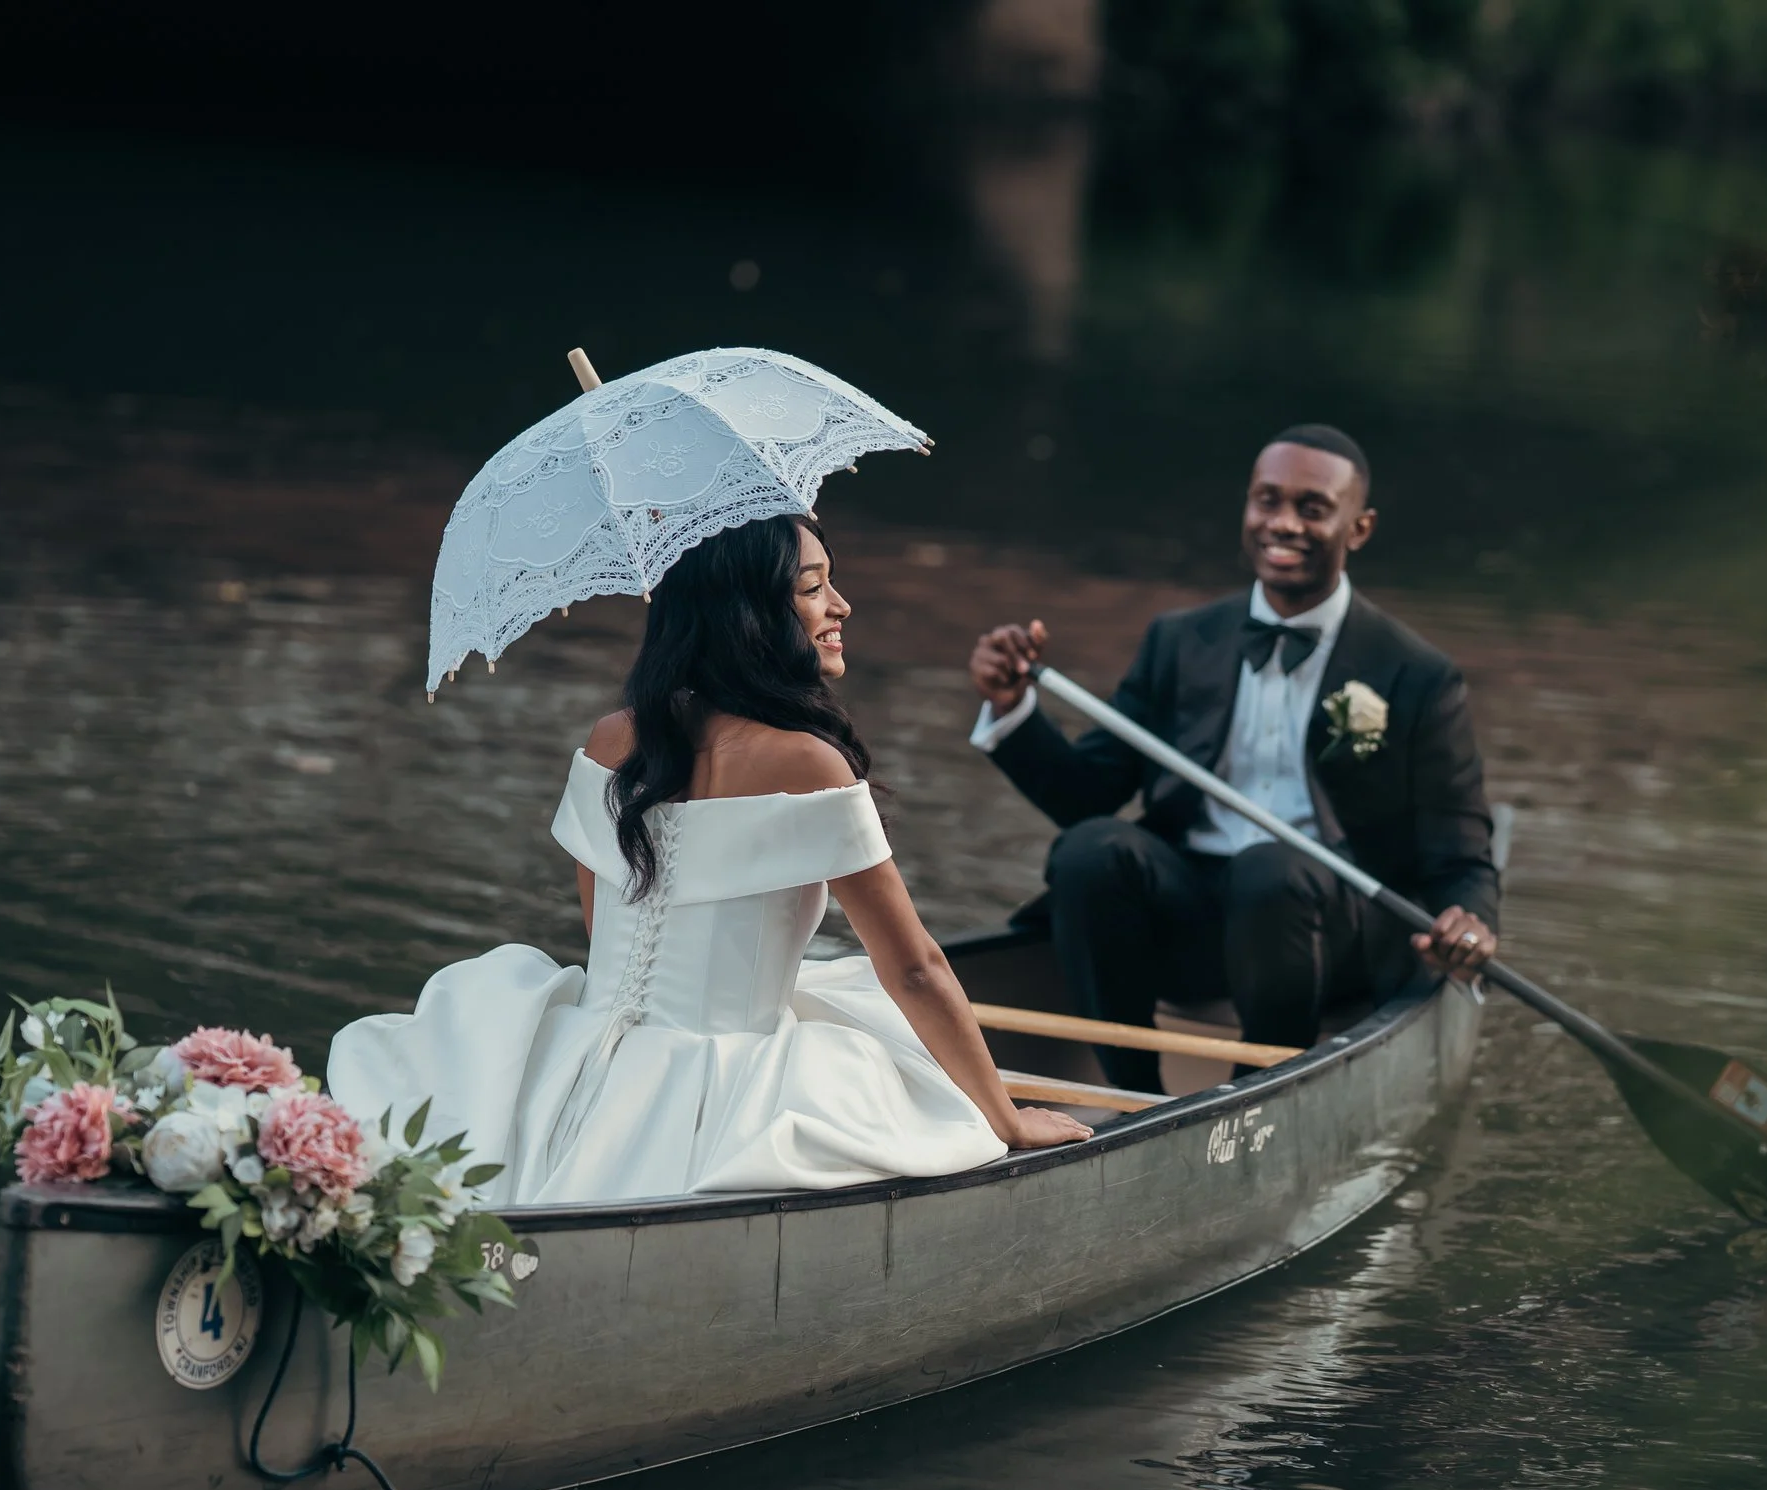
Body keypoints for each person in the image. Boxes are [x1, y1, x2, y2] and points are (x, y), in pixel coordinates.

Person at [329, 514, 1090, 1206]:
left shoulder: (610, 740)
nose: (842, 607)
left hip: (575, 1057)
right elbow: (915, 969)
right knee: (884, 1048)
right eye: (814, 588)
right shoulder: (810, 764)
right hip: (729, 1082)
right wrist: (1005, 1118)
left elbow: (602, 927)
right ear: (749, 613)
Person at [967, 424, 1500, 1093]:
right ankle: (1133, 1091)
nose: (1283, 523)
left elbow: (1459, 849)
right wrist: (1012, 707)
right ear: (1247, 506)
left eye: (1311, 508)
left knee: (1270, 871)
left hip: (1329, 936)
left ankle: (1260, 1090)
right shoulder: (1180, 640)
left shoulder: (1416, 673)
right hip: (1191, 923)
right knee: (1089, 849)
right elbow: (1086, 794)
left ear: (1358, 529)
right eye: (1267, 500)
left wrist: (1470, 922)